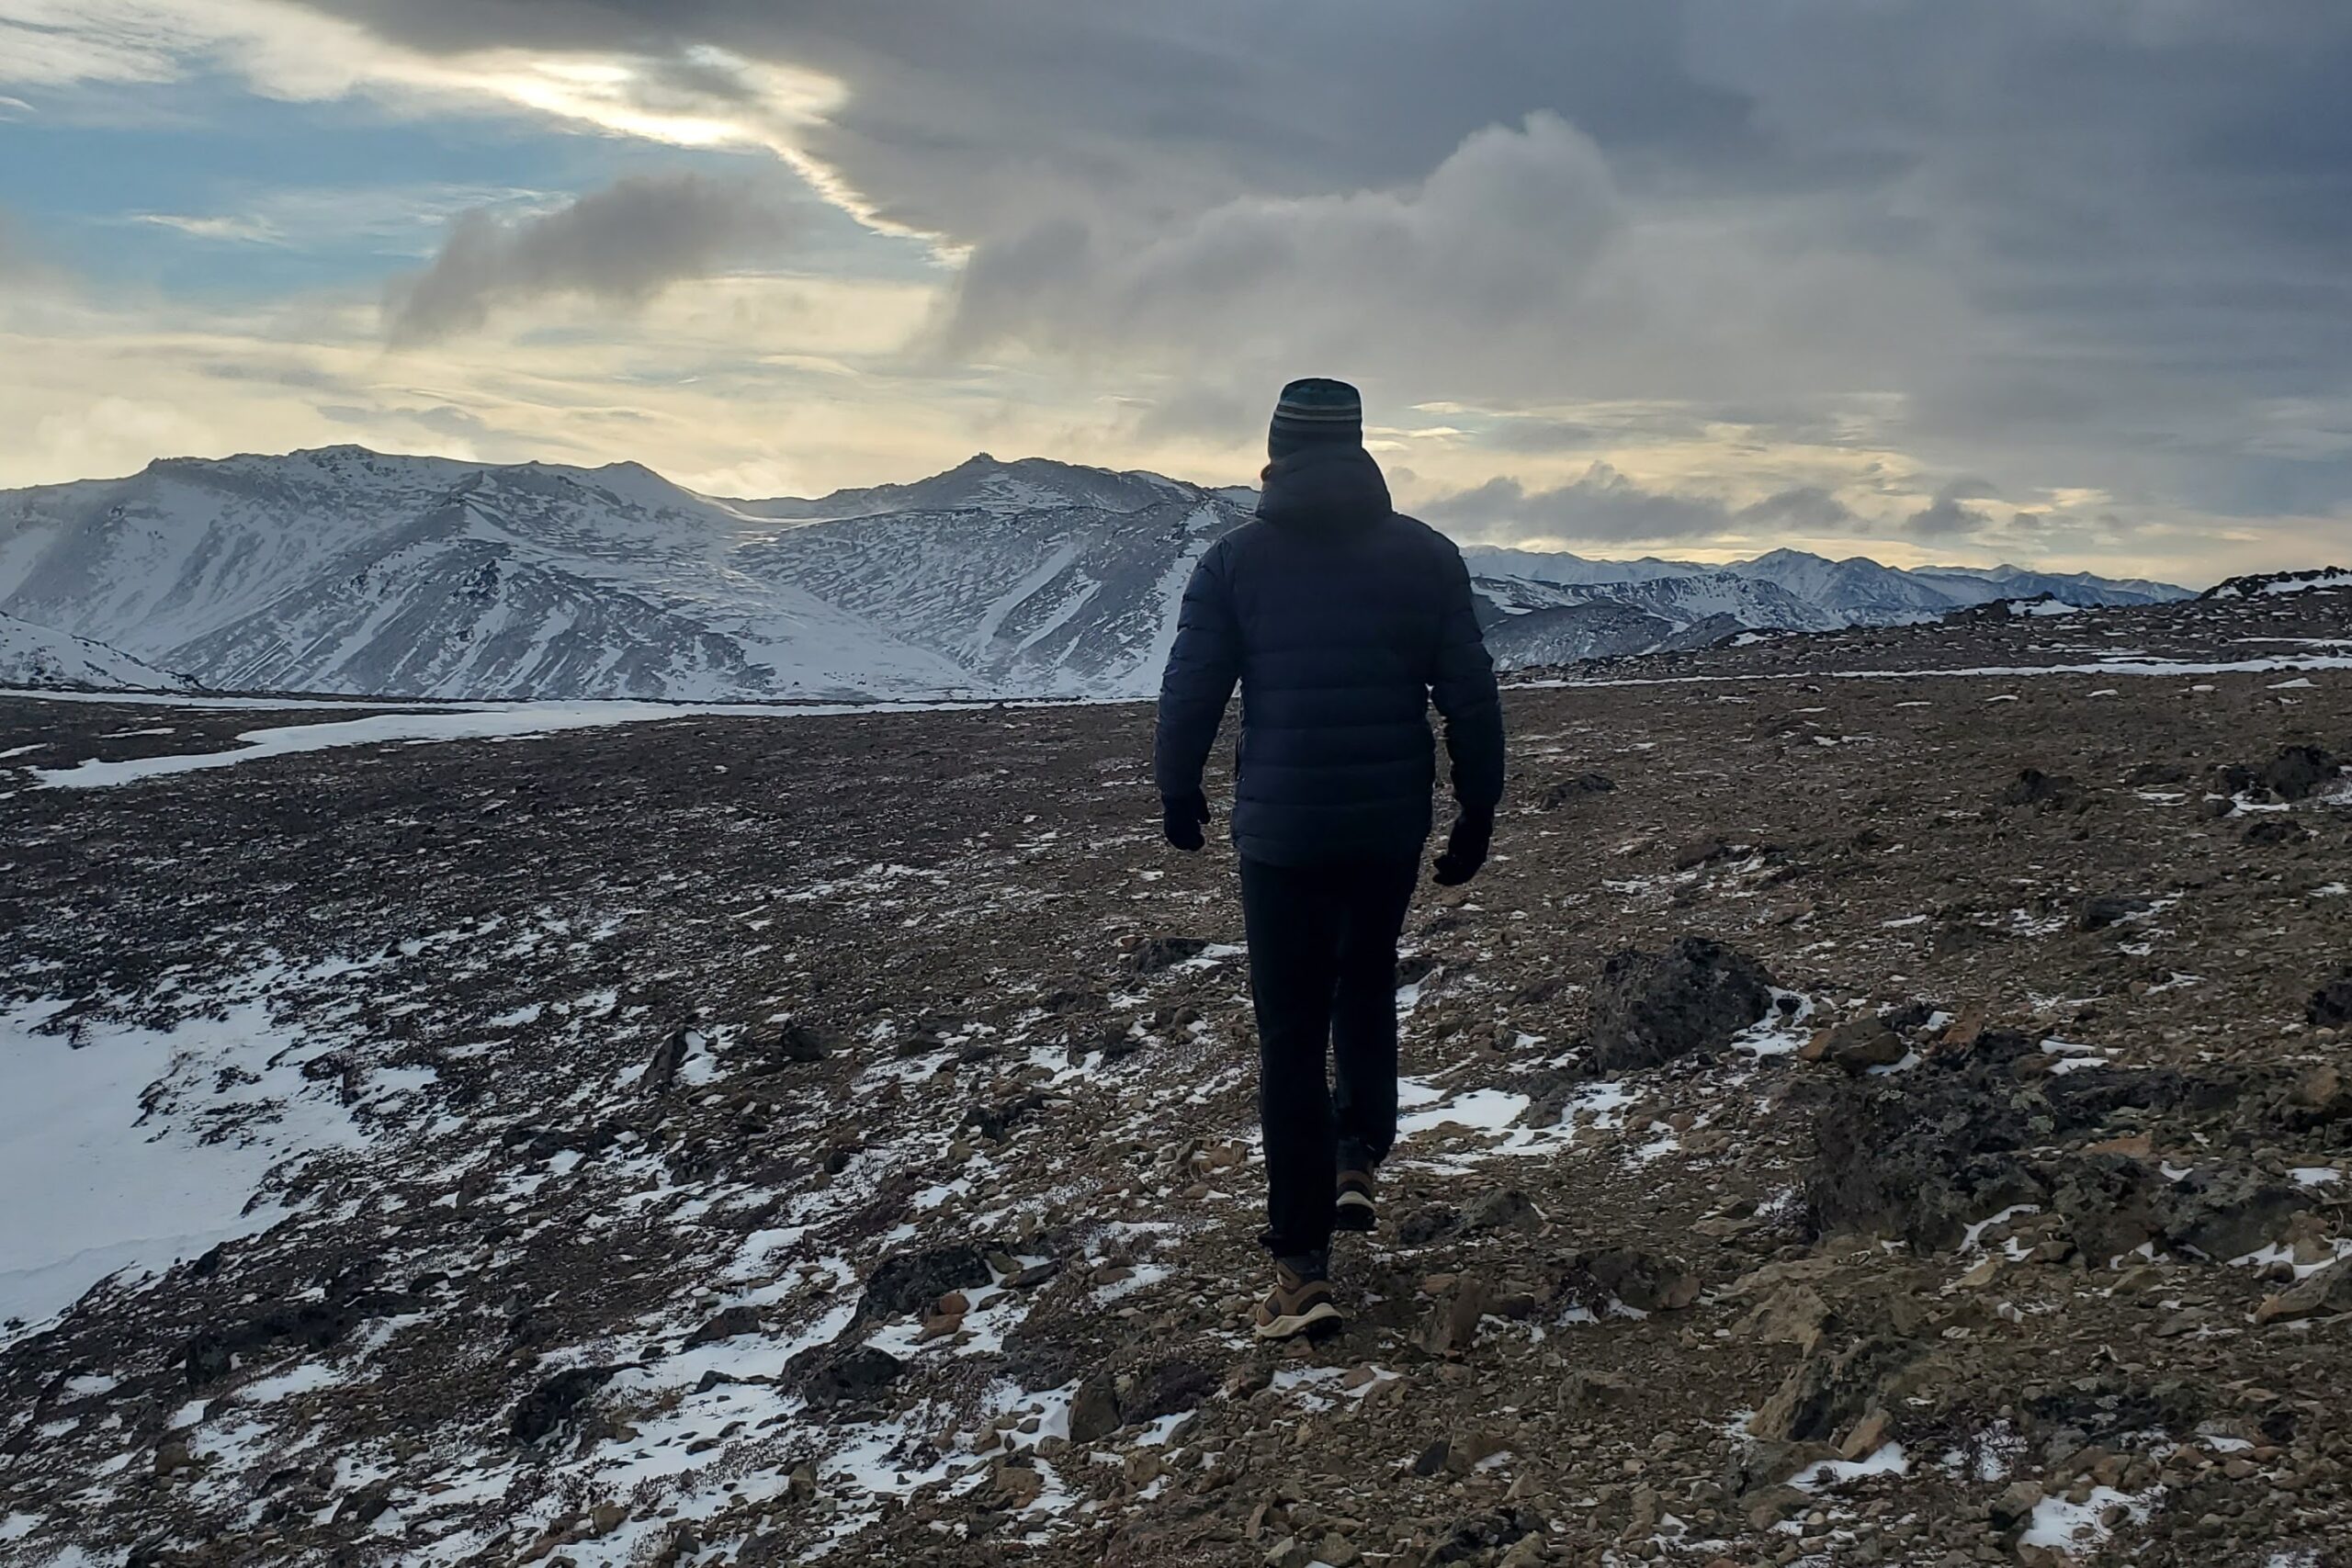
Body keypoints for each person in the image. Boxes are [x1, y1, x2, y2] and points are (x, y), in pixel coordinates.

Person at [1153, 377, 1506, 1339]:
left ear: (1274, 452)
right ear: (1359, 447)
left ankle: (1300, 1270)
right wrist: (1477, 806)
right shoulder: (1425, 558)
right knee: (1366, 981)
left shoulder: (1234, 564)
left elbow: (1192, 687)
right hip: (1388, 822)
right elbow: (1468, 694)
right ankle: (1357, 1154)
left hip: (1279, 834)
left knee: (1289, 1031)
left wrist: (1177, 788)